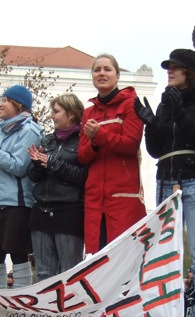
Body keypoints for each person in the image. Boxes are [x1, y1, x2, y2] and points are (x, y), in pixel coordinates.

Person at [135, 48, 195, 317]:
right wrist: (150, 123)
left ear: (190, 71)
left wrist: (180, 113)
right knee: (166, 255)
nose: (169, 72)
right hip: (166, 179)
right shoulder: (167, 100)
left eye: (175, 67)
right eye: (168, 67)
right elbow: (155, 149)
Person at [0, 85, 44, 287]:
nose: (0, 104)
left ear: (19, 104)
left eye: (5, 100)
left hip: (18, 202)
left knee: (18, 253)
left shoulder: (29, 130)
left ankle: (20, 298)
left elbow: (18, 166)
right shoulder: (3, 131)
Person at [78, 53, 146, 253]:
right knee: (97, 260)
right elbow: (82, 156)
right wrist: (95, 144)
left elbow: (131, 144)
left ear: (117, 75)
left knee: (123, 260)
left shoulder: (131, 104)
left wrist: (99, 135)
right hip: (95, 201)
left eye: (107, 69)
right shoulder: (88, 113)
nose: (101, 73)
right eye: (97, 70)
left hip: (122, 199)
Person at [27, 93, 87, 280]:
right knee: (44, 274)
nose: (52, 116)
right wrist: (37, 164)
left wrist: (53, 164)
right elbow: (33, 177)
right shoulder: (47, 140)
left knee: (69, 274)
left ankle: (70, 309)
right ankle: (47, 310)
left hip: (68, 213)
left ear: (70, 114)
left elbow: (84, 177)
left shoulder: (83, 141)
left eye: (56, 111)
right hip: (41, 212)